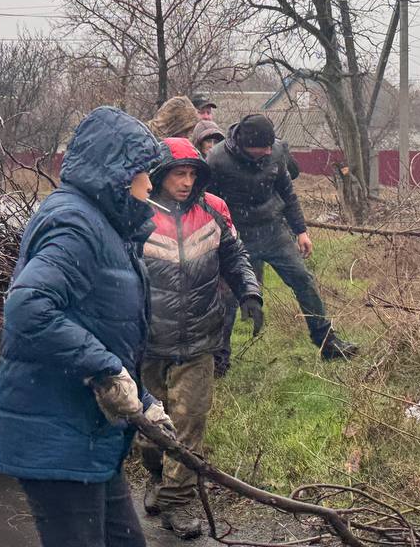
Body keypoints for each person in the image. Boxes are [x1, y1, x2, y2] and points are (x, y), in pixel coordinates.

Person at [0, 106, 174, 547]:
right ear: (115, 174)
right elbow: (29, 306)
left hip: (89, 436)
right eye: (142, 172)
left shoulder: (106, 226)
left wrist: (144, 401)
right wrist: (105, 369)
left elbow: (102, 329)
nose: (150, 185)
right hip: (58, 438)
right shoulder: (76, 225)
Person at [138, 137, 262, 539]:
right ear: (159, 175)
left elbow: (235, 255)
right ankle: (156, 476)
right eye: (179, 173)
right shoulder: (136, 214)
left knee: (189, 422)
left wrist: (249, 291)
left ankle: (176, 501)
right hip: (148, 340)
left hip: (198, 340)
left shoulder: (213, 210)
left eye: (192, 173)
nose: (187, 181)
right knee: (151, 426)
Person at [206, 114, 358, 361]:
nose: (268, 151)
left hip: (274, 230)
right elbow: (207, 204)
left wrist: (301, 231)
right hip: (236, 235)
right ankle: (219, 357)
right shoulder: (217, 160)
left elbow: (288, 193)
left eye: (270, 146)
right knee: (227, 297)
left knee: (303, 280)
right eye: (262, 148)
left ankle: (327, 343)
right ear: (245, 145)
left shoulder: (276, 152)